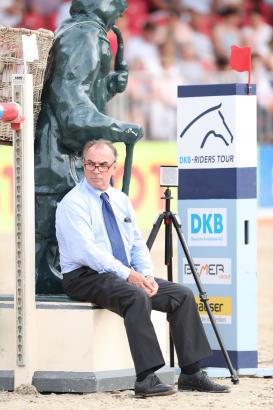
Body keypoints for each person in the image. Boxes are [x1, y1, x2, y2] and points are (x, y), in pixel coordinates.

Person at [56, 139, 231, 397]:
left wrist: (146, 275)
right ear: (83, 165)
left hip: (121, 273)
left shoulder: (120, 200)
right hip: (84, 275)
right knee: (135, 296)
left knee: (181, 295)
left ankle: (192, 373)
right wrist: (130, 275)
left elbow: (137, 243)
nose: (96, 170)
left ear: (114, 167)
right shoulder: (73, 203)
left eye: (103, 164)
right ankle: (145, 378)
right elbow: (88, 253)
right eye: (90, 164)